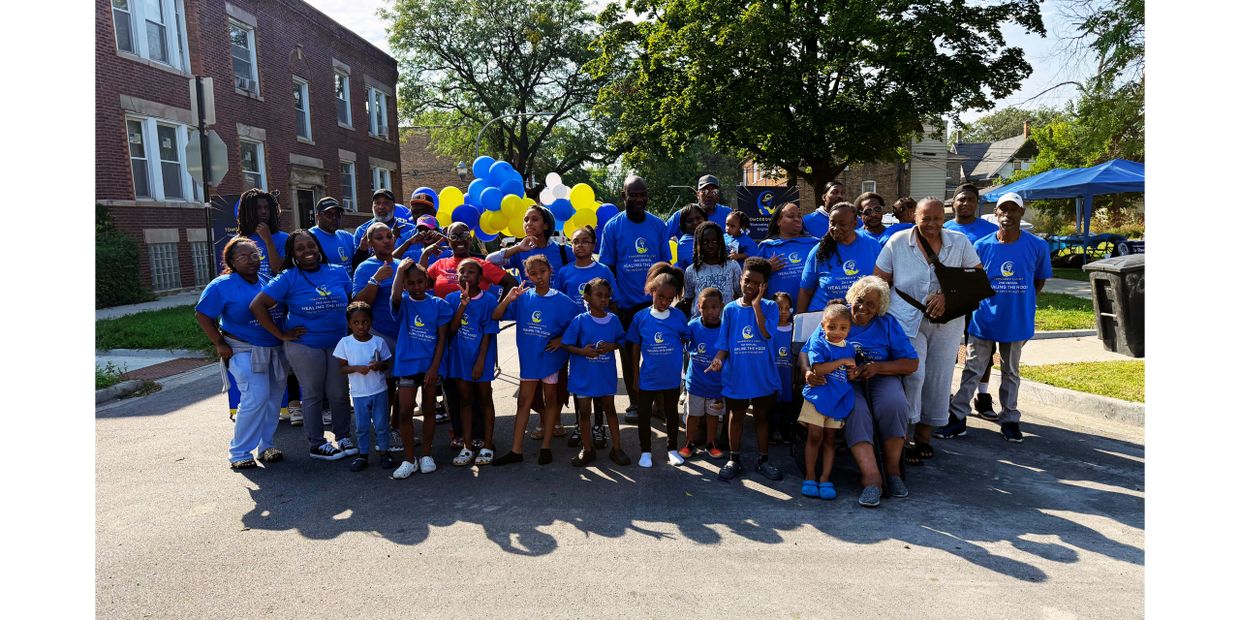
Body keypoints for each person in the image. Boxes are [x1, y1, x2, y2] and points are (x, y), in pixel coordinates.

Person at [875, 196, 982, 465]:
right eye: (926, 218)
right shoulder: (898, 242)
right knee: (914, 374)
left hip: (947, 321)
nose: (931, 223)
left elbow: (977, 278)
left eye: (937, 218)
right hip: (905, 316)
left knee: (938, 378)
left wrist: (948, 294)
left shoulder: (959, 242)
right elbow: (879, 279)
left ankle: (924, 436)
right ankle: (904, 436)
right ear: (915, 217)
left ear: (943, 218)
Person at [940, 193, 1052, 443]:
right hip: (983, 320)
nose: (1008, 215)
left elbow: (1039, 280)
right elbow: (973, 282)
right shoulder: (982, 245)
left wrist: (1021, 301)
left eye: (1014, 210)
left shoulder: (1037, 246)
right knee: (972, 369)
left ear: (1021, 213)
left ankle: (1010, 419)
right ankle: (958, 418)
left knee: (1010, 371)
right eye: (1003, 210)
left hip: (1016, 320)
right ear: (996, 213)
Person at [803, 276, 918, 507]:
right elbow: (806, 350)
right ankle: (872, 479)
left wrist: (876, 368)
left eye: (871, 305)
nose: (863, 307)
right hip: (840, 382)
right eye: (860, 300)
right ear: (852, 297)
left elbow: (911, 363)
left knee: (894, 403)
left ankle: (893, 472)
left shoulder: (887, 323)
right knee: (854, 409)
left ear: (880, 308)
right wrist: (807, 371)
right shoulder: (837, 316)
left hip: (879, 375)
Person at [250, 230, 355, 461]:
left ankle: (343, 436)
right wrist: (280, 334)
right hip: (305, 344)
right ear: (293, 254)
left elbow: (350, 302)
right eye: (300, 248)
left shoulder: (338, 272)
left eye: (311, 246)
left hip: (337, 343)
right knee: (313, 393)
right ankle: (316, 444)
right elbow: (258, 305)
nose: (308, 251)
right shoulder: (288, 277)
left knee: (338, 393)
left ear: (318, 247)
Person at [195, 237, 289, 469]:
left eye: (254, 255)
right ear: (232, 261)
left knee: (272, 399)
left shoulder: (266, 281)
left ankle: (266, 446)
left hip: (273, 350)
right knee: (255, 396)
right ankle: (239, 452)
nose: (251, 260)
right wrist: (219, 342)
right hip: (242, 349)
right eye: (244, 256)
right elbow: (203, 315)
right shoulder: (221, 285)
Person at [492, 255, 579, 466]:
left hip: (549, 358)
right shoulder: (522, 297)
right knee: (523, 402)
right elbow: (496, 316)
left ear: (550, 271)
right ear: (527, 276)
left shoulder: (562, 300)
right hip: (529, 359)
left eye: (542, 271)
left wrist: (561, 340)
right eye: (533, 273)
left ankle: (546, 446)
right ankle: (516, 449)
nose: (538, 277)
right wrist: (508, 299)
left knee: (551, 400)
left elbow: (577, 324)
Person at [598, 175, 672, 421]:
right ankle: (635, 403)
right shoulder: (613, 227)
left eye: (643, 194)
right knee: (630, 357)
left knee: (657, 353)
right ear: (624, 197)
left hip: (653, 304)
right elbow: (607, 269)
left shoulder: (658, 226)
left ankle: (659, 403)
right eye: (634, 194)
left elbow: (664, 266)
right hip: (625, 305)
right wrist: (613, 304)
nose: (639, 199)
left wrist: (662, 299)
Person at [705, 257, 783, 482]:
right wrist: (719, 359)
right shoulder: (730, 309)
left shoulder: (770, 307)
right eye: (747, 280)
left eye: (756, 283)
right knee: (736, 416)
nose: (750, 286)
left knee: (761, 417)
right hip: (736, 375)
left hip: (762, 376)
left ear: (764, 286)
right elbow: (724, 343)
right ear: (740, 279)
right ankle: (734, 458)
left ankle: (763, 459)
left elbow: (766, 334)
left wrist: (757, 306)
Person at [552, 224, 618, 448]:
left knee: (600, 381)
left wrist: (611, 332)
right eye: (575, 241)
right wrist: (561, 335)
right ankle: (582, 426)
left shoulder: (604, 270)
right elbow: (558, 304)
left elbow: (613, 302)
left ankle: (599, 427)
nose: (579, 245)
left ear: (593, 244)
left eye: (585, 241)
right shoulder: (564, 272)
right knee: (579, 382)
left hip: (600, 333)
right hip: (576, 334)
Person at [939, 183, 1001, 422]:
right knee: (950, 350)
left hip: (979, 301)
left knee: (984, 351)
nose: (965, 204)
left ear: (977, 204)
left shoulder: (989, 231)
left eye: (971, 200)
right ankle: (945, 393)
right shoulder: (943, 229)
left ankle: (982, 397)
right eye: (961, 199)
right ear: (953, 202)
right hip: (949, 300)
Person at [388, 260, 453, 479]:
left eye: (420, 282)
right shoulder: (404, 303)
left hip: (430, 366)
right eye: (410, 283)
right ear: (404, 285)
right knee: (405, 412)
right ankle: (408, 459)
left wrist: (434, 368)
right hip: (407, 365)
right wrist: (398, 271)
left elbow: (442, 339)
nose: (416, 287)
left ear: (427, 281)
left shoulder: (439, 305)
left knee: (429, 410)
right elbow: (395, 297)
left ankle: (426, 454)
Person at [626, 263, 692, 468]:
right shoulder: (641, 317)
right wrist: (635, 376)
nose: (664, 302)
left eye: (669, 299)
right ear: (652, 291)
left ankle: (672, 449)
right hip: (648, 377)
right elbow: (635, 348)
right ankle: (645, 451)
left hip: (671, 377)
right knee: (644, 415)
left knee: (672, 414)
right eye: (660, 296)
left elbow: (687, 340)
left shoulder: (679, 317)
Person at [560, 277, 630, 467]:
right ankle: (587, 449)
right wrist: (582, 351)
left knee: (610, 410)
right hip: (583, 377)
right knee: (583, 413)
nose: (604, 300)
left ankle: (617, 448)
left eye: (607, 296)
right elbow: (566, 344)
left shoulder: (613, 320)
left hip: (604, 375)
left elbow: (621, 341)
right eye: (599, 295)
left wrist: (612, 345)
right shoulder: (580, 320)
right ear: (587, 297)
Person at [351, 223, 406, 453]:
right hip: (381, 334)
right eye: (379, 238)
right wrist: (375, 279)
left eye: (389, 236)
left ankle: (396, 428)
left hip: (405, 333)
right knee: (385, 385)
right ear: (370, 244)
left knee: (404, 384)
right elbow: (358, 305)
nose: (386, 240)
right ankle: (382, 431)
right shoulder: (366, 267)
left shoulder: (402, 265)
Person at [444, 259, 502, 466]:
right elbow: (451, 329)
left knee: (485, 399)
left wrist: (480, 362)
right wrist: (462, 304)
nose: (466, 275)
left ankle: (487, 444)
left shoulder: (488, 300)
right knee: (465, 401)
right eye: (462, 272)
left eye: (471, 272)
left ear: (480, 277)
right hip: (459, 360)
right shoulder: (452, 299)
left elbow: (488, 332)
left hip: (481, 359)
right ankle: (467, 446)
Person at [798, 302, 856, 500]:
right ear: (823, 326)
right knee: (815, 435)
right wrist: (841, 362)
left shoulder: (850, 348)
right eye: (831, 327)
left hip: (838, 399)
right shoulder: (819, 342)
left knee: (831, 438)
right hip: (818, 396)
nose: (837, 332)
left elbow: (850, 373)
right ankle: (810, 475)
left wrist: (855, 371)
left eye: (843, 328)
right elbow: (819, 369)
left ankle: (825, 478)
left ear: (849, 328)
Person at [333, 301, 395, 472]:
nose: (361, 326)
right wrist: (356, 368)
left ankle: (384, 452)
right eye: (356, 322)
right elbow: (342, 368)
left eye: (365, 322)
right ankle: (363, 454)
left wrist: (378, 365)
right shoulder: (345, 343)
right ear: (349, 324)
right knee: (362, 426)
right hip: (359, 394)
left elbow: (386, 364)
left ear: (371, 321)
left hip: (379, 390)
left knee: (382, 423)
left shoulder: (378, 341)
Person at [796, 202, 882, 313]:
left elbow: (881, 283)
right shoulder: (820, 250)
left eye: (842, 224)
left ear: (855, 223)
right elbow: (806, 290)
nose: (836, 228)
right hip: (825, 318)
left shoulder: (872, 245)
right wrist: (800, 320)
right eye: (832, 223)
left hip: (861, 316)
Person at [679, 288, 727, 460]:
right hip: (696, 382)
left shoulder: (725, 328)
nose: (710, 311)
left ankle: (711, 443)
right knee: (693, 415)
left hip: (717, 384)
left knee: (713, 416)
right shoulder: (692, 326)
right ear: (698, 307)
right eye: (705, 307)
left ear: (721, 306)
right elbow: (684, 343)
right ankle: (689, 443)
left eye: (714, 307)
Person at [756, 201, 820, 310]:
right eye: (791, 216)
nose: (797, 219)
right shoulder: (767, 247)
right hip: (778, 313)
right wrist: (766, 269)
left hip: (810, 311)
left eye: (799, 216)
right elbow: (753, 278)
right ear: (779, 221)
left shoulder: (814, 245)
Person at [486, 204, 569, 283]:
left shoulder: (563, 250)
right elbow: (489, 260)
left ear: (546, 225)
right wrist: (518, 248)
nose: (528, 223)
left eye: (535, 219)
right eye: (526, 220)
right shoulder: (519, 251)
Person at [682, 221, 741, 318]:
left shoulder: (733, 266)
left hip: (726, 322)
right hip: (700, 324)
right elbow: (688, 299)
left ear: (720, 242)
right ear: (699, 243)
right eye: (705, 242)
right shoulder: (691, 270)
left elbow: (739, 295)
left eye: (714, 241)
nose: (710, 245)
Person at [353, 189, 421, 262]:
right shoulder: (362, 231)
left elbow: (414, 259)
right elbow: (358, 264)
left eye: (386, 203)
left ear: (394, 207)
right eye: (377, 203)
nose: (381, 207)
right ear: (372, 207)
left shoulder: (410, 229)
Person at [235, 188, 288, 278]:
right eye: (258, 208)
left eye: (266, 208)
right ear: (247, 211)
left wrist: (269, 241)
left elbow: (279, 271)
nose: (263, 211)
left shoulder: (284, 238)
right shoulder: (237, 241)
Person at [664, 174, 733, 242]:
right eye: (704, 192)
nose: (708, 195)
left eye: (713, 192)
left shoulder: (728, 214)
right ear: (697, 195)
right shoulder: (682, 214)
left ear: (718, 195)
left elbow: (740, 237)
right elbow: (662, 235)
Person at [769, 292, 799, 445]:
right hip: (773, 376)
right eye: (779, 308)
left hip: (789, 376)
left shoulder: (795, 329)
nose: (783, 312)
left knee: (788, 406)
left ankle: (785, 431)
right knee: (773, 406)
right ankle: (772, 432)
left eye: (787, 308)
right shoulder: (769, 328)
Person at [309, 197, 357, 276]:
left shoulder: (348, 237)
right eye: (329, 214)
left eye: (337, 214)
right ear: (318, 216)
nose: (334, 218)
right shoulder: (309, 238)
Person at [672, 204, 707, 269]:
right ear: (683, 225)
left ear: (705, 219)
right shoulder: (684, 243)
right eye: (689, 221)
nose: (695, 222)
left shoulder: (707, 236)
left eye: (698, 218)